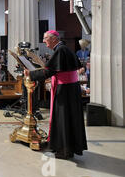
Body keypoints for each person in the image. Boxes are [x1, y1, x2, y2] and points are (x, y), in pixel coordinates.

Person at [24, 30, 87, 159]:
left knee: (63, 119)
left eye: (45, 38)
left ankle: (64, 150)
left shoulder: (60, 50)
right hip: (70, 89)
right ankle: (66, 147)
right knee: (69, 119)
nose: (43, 41)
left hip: (64, 90)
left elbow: (48, 72)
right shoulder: (63, 49)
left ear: (53, 39)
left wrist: (31, 74)